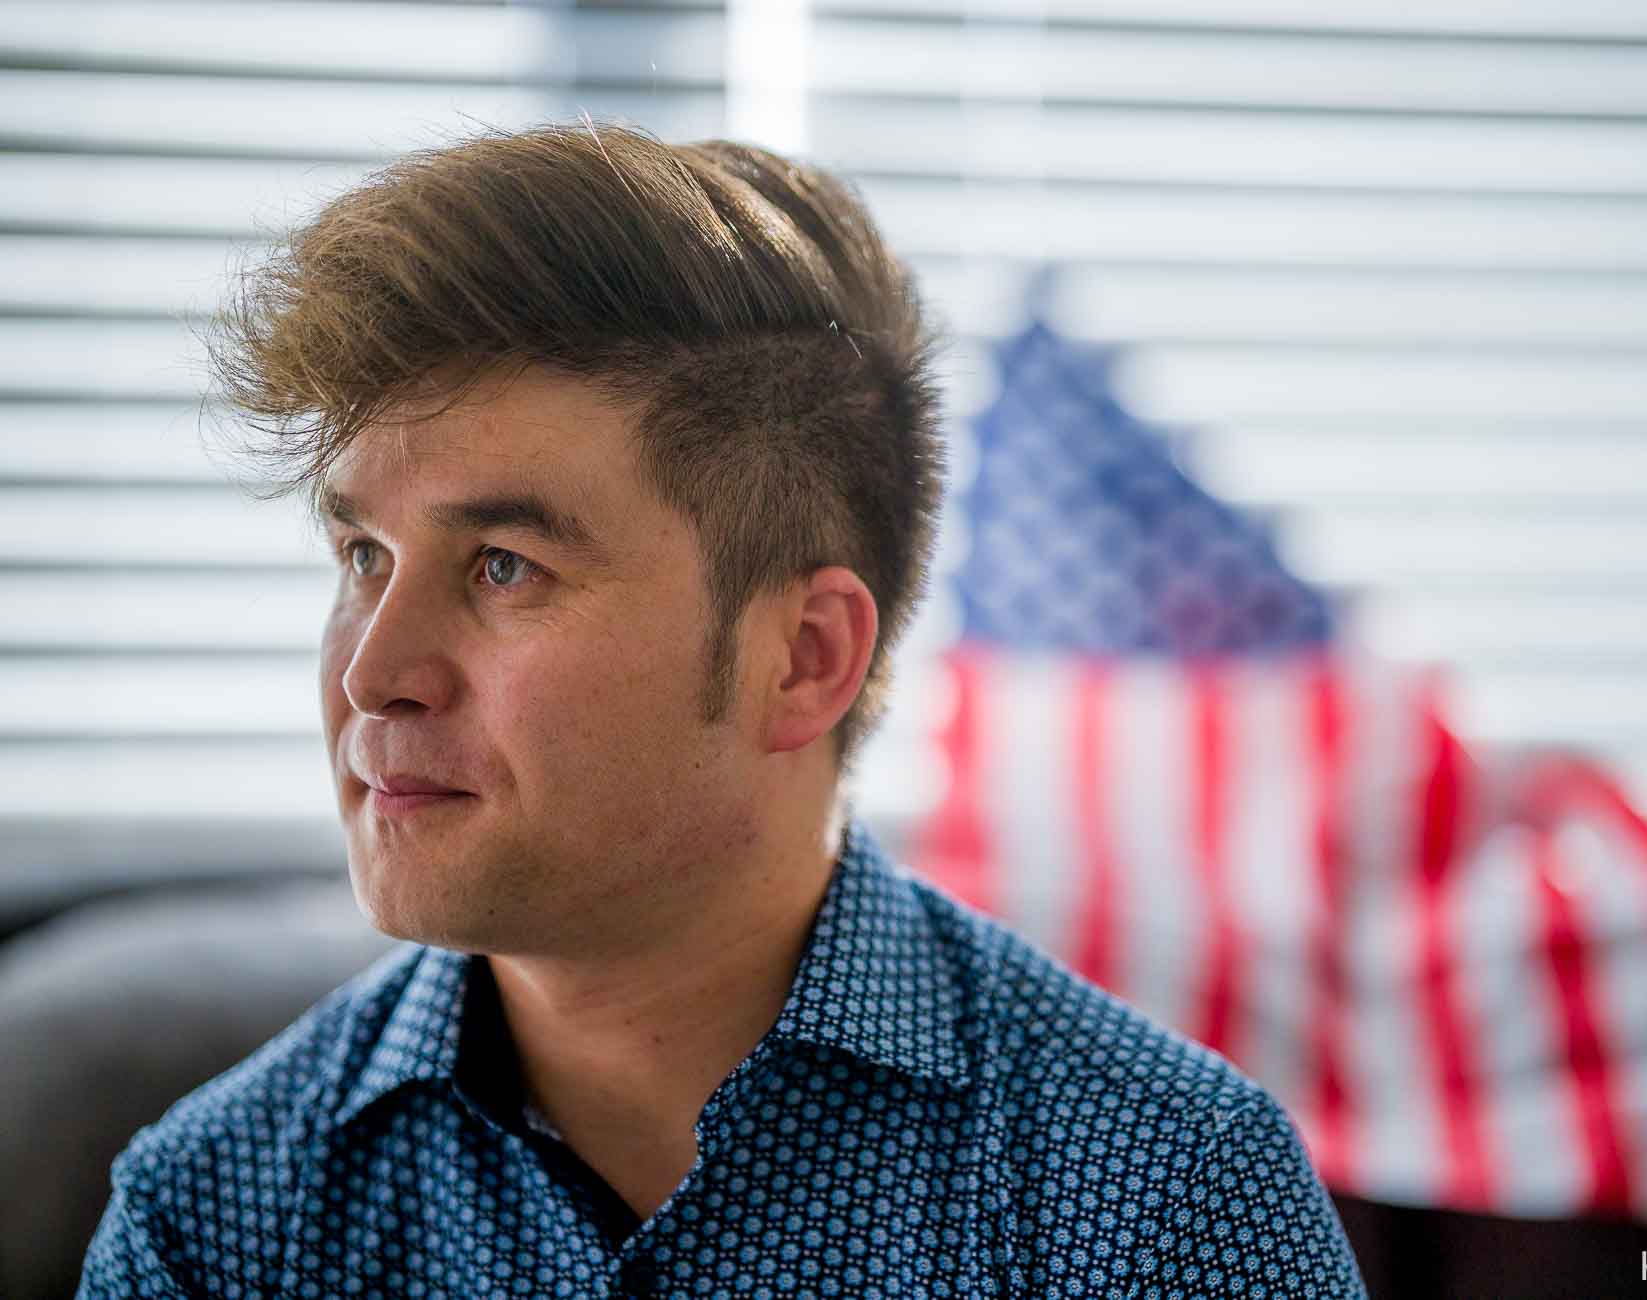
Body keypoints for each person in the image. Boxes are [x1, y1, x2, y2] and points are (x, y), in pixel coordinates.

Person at [77, 123, 1365, 1299]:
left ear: (803, 657)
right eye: (362, 556)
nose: (372, 673)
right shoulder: (215, 1219)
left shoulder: (1167, 1202)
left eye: (504, 568)